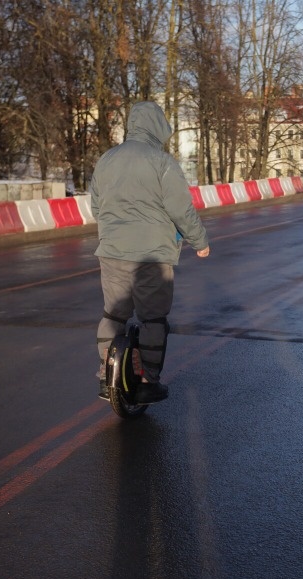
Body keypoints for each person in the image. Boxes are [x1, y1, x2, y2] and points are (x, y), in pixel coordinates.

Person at [90, 101, 210, 403]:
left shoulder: (107, 159)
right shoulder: (162, 162)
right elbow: (180, 209)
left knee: (113, 313)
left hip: (112, 251)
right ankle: (146, 380)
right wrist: (200, 241)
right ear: (159, 127)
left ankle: (106, 374)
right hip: (152, 257)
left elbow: (96, 206)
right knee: (153, 319)